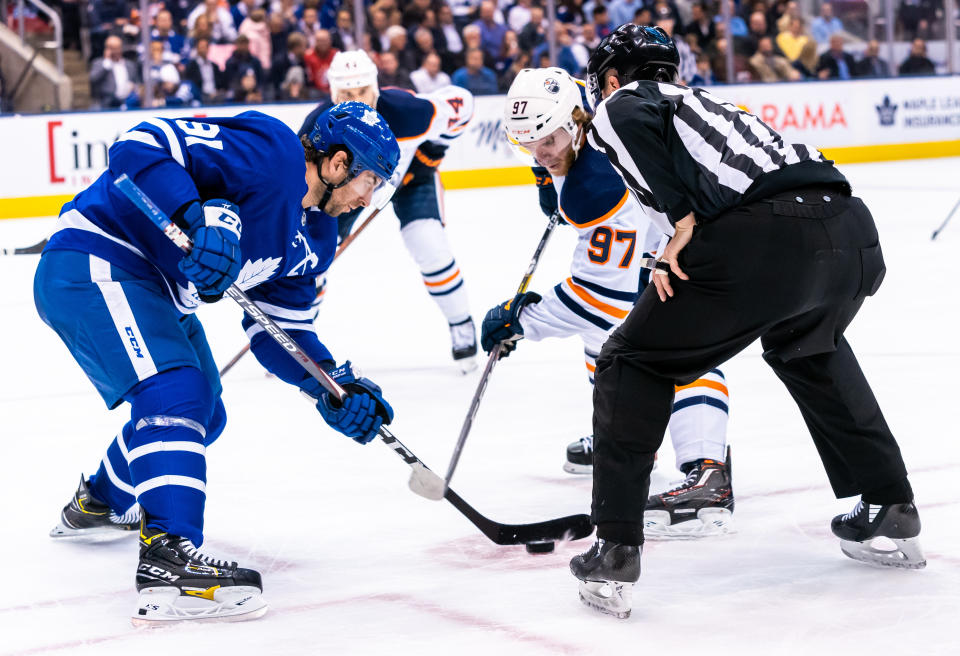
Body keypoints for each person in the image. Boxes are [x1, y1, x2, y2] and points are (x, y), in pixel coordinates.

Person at [568, 24, 925, 619]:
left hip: (767, 239)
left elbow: (620, 122)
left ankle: (616, 546)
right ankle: (891, 502)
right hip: (849, 234)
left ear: (610, 77)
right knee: (807, 346)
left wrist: (678, 221)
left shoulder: (628, 98)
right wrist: (678, 234)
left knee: (629, 360)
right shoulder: (706, 104)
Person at [35, 102, 400, 622]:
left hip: (160, 291)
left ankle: (99, 501)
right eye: (370, 180)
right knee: (175, 394)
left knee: (204, 413)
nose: (369, 197)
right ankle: (169, 554)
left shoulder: (316, 239)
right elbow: (140, 145)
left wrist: (330, 385)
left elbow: (282, 331)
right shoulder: (272, 153)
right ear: (338, 163)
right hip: (100, 256)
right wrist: (193, 216)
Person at [487, 67, 734, 538]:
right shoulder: (583, 146)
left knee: (681, 342)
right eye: (528, 145)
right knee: (612, 341)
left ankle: (708, 472)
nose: (540, 155)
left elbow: (599, 296)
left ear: (576, 120)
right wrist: (552, 176)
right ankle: (630, 438)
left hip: (710, 242)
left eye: (548, 141)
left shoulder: (596, 184)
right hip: (672, 240)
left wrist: (523, 320)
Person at [301, 51, 479, 371]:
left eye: (362, 93)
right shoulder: (318, 128)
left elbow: (462, 104)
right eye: (346, 95)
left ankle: (461, 323)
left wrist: (430, 155)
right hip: (346, 189)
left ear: (376, 88)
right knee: (314, 256)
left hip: (408, 179)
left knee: (429, 244)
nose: (356, 101)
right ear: (332, 93)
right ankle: (296, 335)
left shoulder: (408, 112)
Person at [89, 34, 140, 109]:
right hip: (106, 103)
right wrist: (107, 62)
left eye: (117, 48)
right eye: (112, 48)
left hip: (128, 102)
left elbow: (136, 82)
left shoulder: (130, 65)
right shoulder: (99, 63)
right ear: (106, 49)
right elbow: (93, 79)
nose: (115, 51)